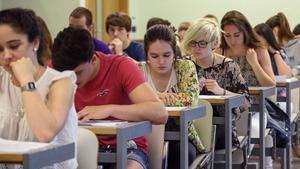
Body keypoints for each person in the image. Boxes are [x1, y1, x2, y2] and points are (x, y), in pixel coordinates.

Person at [51, 27, 168, 169]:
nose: (71, 80)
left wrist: (110, 109)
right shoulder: (54, 70)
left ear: (93, 59)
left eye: (78, 73)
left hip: (125, 148)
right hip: (76, 146)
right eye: (64, 75)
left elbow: (160, 112)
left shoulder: (121, 66)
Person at [0, 8, 77, 169]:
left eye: (14, 46)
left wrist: (26, 80)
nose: (6, 56)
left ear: (35, 42)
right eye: (0, 49)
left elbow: (45, 133)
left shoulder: (61, 82)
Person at [140, 24, 205, 168]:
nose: (161, 61)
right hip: (143, 136)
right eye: (154, 56)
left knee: (181, 154)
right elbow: (128, 101)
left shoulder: (185, 67)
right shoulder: (138, 70)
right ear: (146, 54)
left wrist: (151, 99)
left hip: (180, 135)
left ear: (174, 53)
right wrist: (159, 97)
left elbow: (190, 100)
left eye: (167, 55)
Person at [182, 18, 250, 150]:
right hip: (191, 125)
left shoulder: (228, 66)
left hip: (222, 128)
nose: (196, 48)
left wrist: (222, 92)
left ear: (214, 43)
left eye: (202, 43)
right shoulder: (184, 65)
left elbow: (246, 101)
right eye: (193, 43)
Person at [218, 10, 275, 168]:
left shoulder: (258, 49)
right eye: (227, 36)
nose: (232, 40)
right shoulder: (220, 52)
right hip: (228, 110)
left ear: (245, 32)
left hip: (255, 109)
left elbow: (271, 85)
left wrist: (254, 63)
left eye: (237, 35)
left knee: (250, 128)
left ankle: (243, 162)